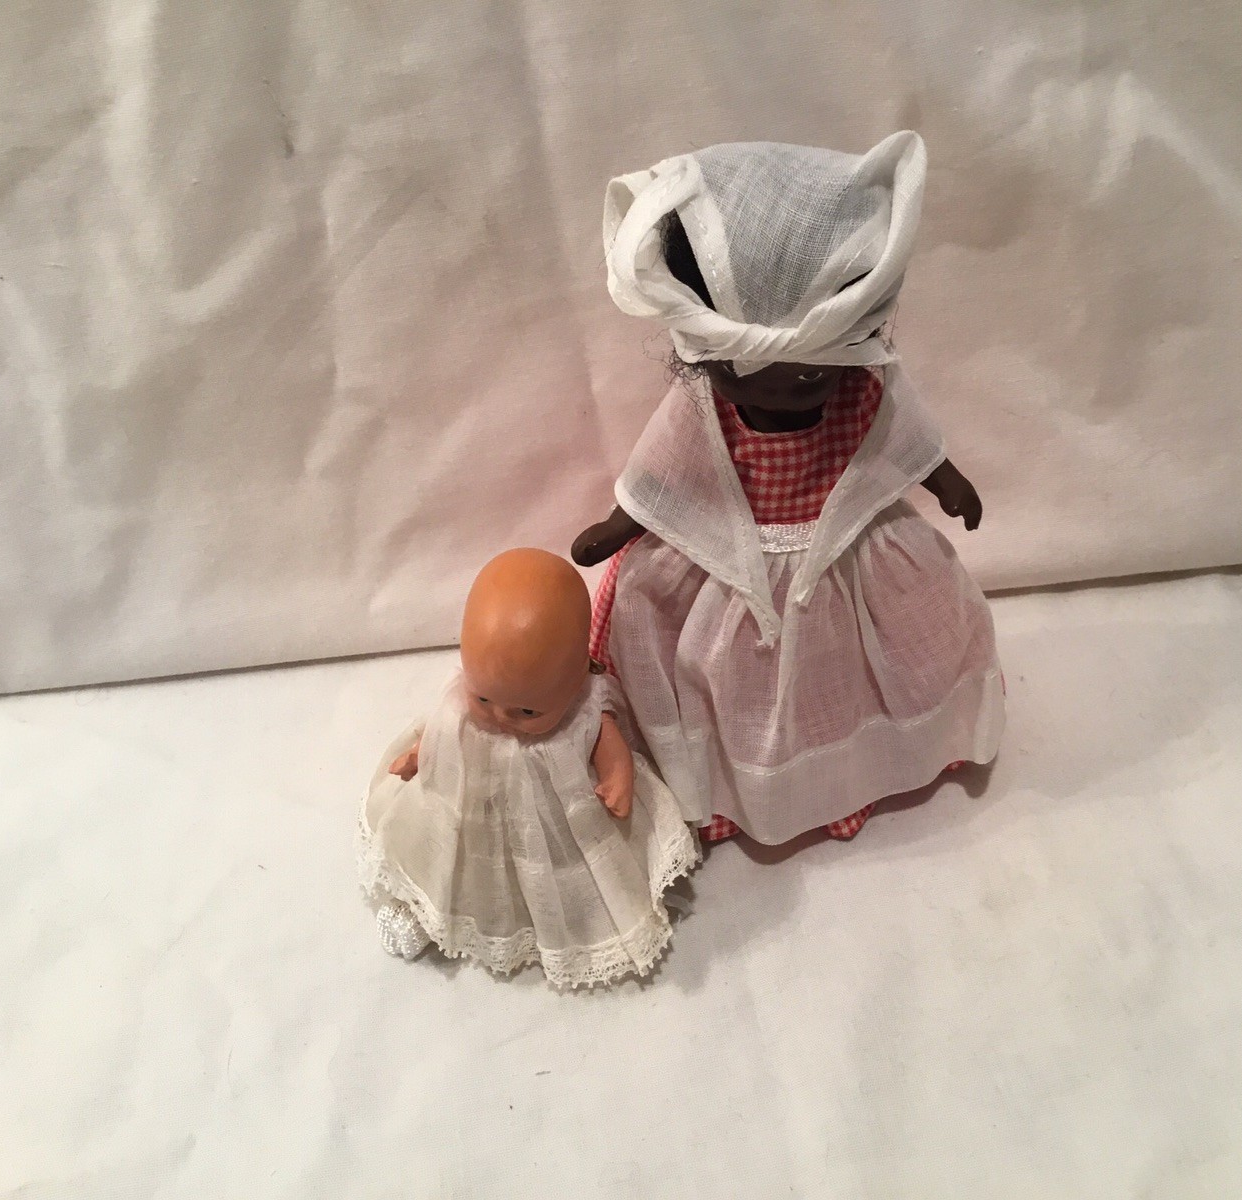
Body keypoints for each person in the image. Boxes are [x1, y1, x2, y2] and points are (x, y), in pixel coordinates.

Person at [574, 132, 1005, 848]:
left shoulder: (864, 391)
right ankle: (737, 792)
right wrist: (618, 525)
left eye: (810, 375)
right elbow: (664, 474)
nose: (782, 393)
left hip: (846, 559)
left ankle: (856, 774)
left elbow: (906, 441)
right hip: (730, 569)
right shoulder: (703, 411)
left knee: (851, 674)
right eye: (745, 373)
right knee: (722, 677)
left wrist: (948, 482)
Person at [358, 548, 698, 988]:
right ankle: (430, 906)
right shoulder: (463, 704)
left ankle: (574, 917)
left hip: (553, 825)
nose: (501, 717)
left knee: (569, 874)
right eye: (484, 698)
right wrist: (420, 755)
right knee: (447, 852)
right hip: (472, 810)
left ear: (578, 677)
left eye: (527, 711)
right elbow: (443, 735)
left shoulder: (585, 711)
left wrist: (618, 775)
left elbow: (608, 744)